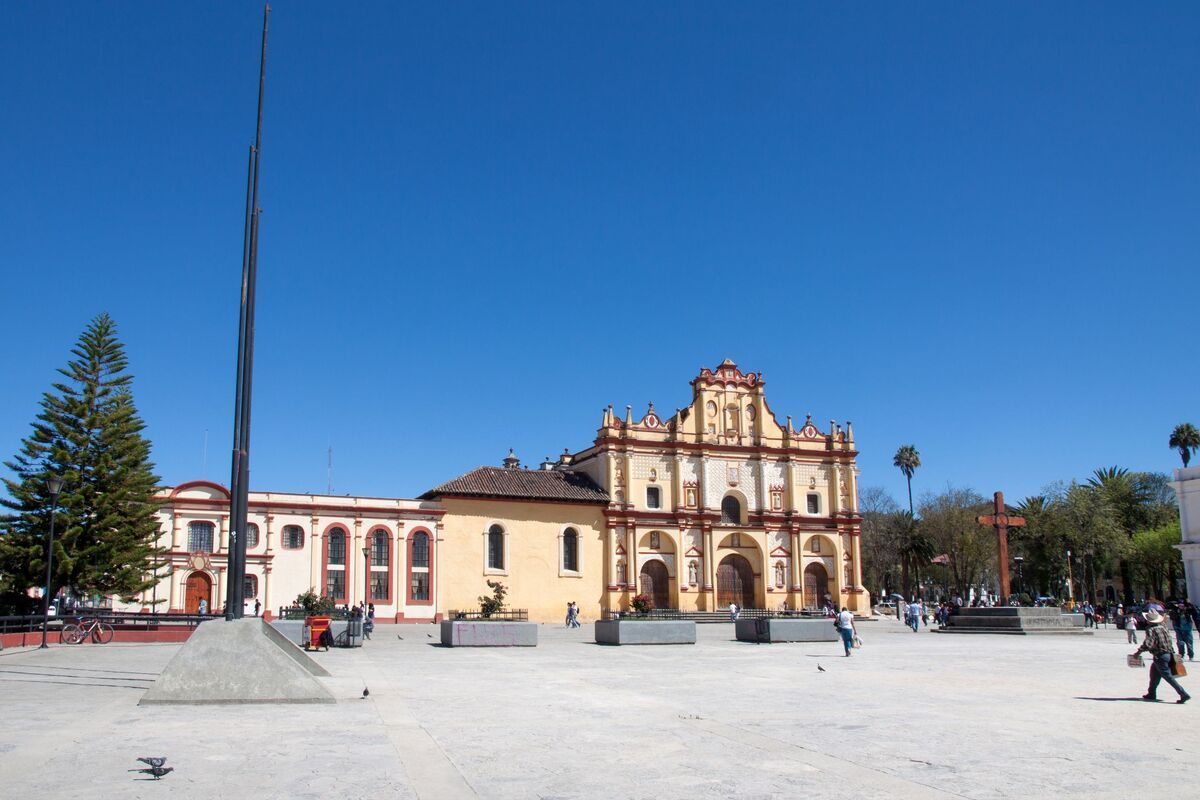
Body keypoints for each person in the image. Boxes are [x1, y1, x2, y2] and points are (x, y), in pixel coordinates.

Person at [1132, 609, 1190, 704]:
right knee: (1154, 674)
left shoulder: (1151, 629)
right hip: (1169, 654)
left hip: (1160, 656)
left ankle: (1183, 693)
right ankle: (1151, 693)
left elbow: (1148, 643)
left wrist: (1138, 652)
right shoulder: (1164, 627)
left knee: (1168, 677)